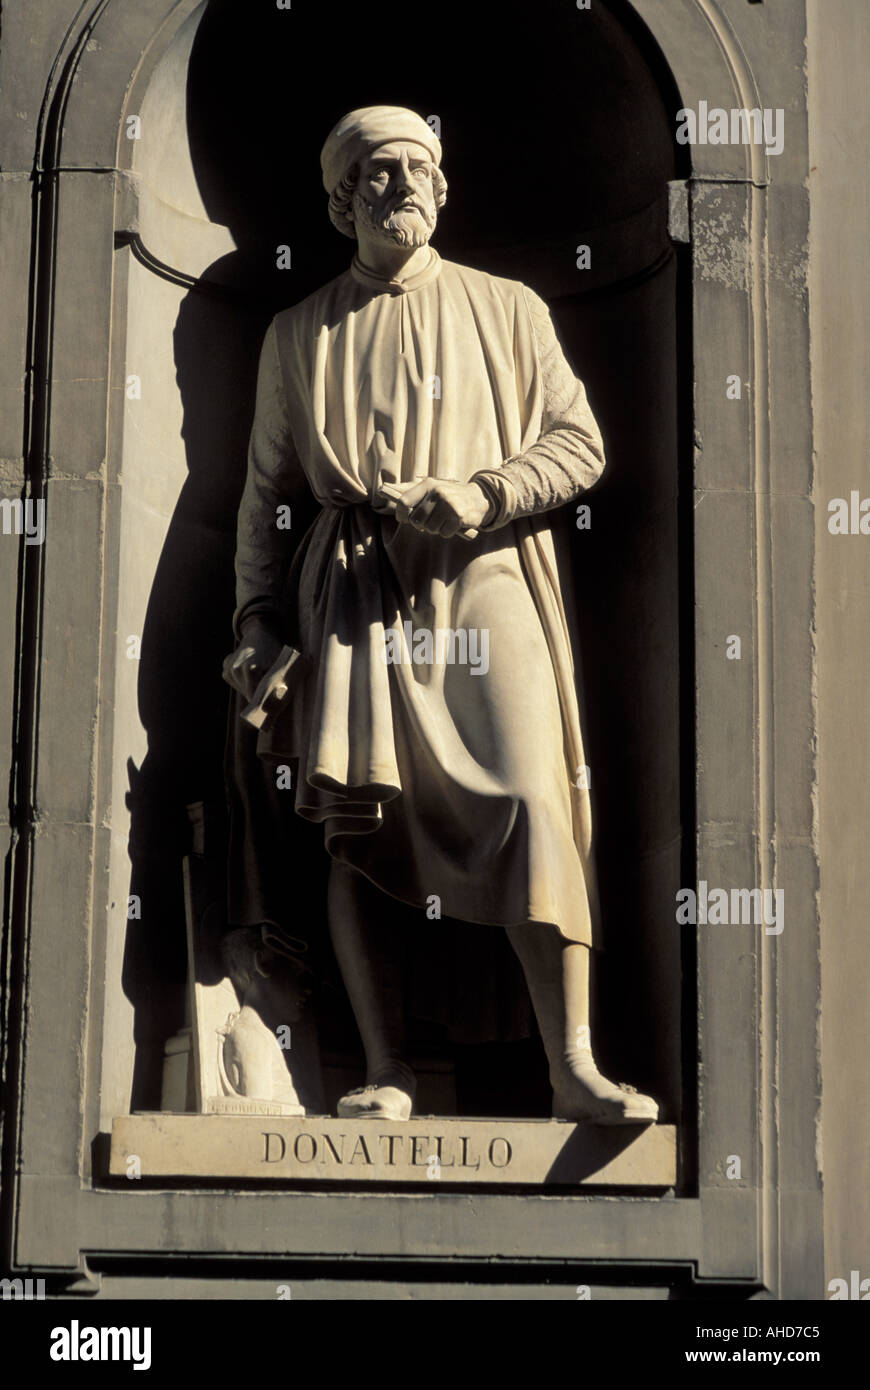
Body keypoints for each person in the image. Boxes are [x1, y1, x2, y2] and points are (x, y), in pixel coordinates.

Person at [225, 105, 658, 1126]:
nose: (401, 185)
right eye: (378, 171)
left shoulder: (507, 308)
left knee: (532, 798)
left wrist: (486, 492)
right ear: (343, 197)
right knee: (357, 822)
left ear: (443, 188)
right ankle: (384, 1067)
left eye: (419, 167)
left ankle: (572, 1065)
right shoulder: (299, 331)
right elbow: (262, 492)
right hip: (355, 588)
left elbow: (581, 443)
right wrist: (254, 616)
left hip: (487, 574)